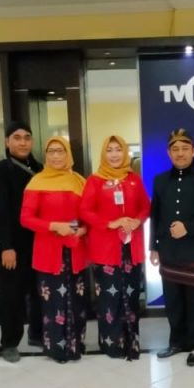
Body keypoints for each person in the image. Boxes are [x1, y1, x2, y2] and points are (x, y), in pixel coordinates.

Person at [149, 129, 194, 367]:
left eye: (185, 149)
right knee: (173, 301)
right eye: (175, 149)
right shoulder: (160, 180)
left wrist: (188, 227)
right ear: (169, 153)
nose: (180, 153)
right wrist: (153, 247)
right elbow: (155, 215)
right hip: (168, 251)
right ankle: (177, 342)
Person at [79, 135, 150, 360]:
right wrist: (110, 223)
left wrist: (137, 221)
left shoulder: (134, 179)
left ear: (125, 152)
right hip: (105, 249)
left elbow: (145, 207)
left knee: (131, 295)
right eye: (109, 150)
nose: (114, 154)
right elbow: (85, 211)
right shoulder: (95, 180)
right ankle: (111, 343)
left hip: (131, 247)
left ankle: (131, 341)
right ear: (103, 154)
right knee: (109, 298)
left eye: (118, 149)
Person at [20, 136, 88, 363]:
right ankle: (57, 349)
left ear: (68, 154)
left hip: (75, 249)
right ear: (46, 155)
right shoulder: (37, 181)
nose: (56, 156)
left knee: (76, 301)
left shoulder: (79, 181)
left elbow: (85, 215)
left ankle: (75, 345)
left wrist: (80, 229)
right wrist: (53, 226)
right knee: (53, 303)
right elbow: (26, 218)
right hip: (49, 252)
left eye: (61, 151)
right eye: (51, 151)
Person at [0, 121, 43, 362]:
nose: (23, 142)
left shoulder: (41, 169)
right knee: (11, 296)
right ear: (7, 142)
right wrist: (6, 247)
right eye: (17, 138)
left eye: (27, 137)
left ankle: (37, 334)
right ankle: (9, 342)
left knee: (39, 292)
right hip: (12, 246)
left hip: (39, 244)